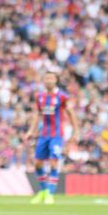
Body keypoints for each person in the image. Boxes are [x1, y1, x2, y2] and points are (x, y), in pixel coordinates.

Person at [24, 72, 79, 204]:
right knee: (37, 163)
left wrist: (76, 132)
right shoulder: (40, 96)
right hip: (43, 134)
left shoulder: (63, 97)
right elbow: (37, 114)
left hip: (57, 135)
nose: (48, 80)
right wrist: (31, 130)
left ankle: (50, 193)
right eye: (46, 78)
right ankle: (43, 191)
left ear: (56, 81)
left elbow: (71, 114)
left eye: (51, 78)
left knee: (54, 162)